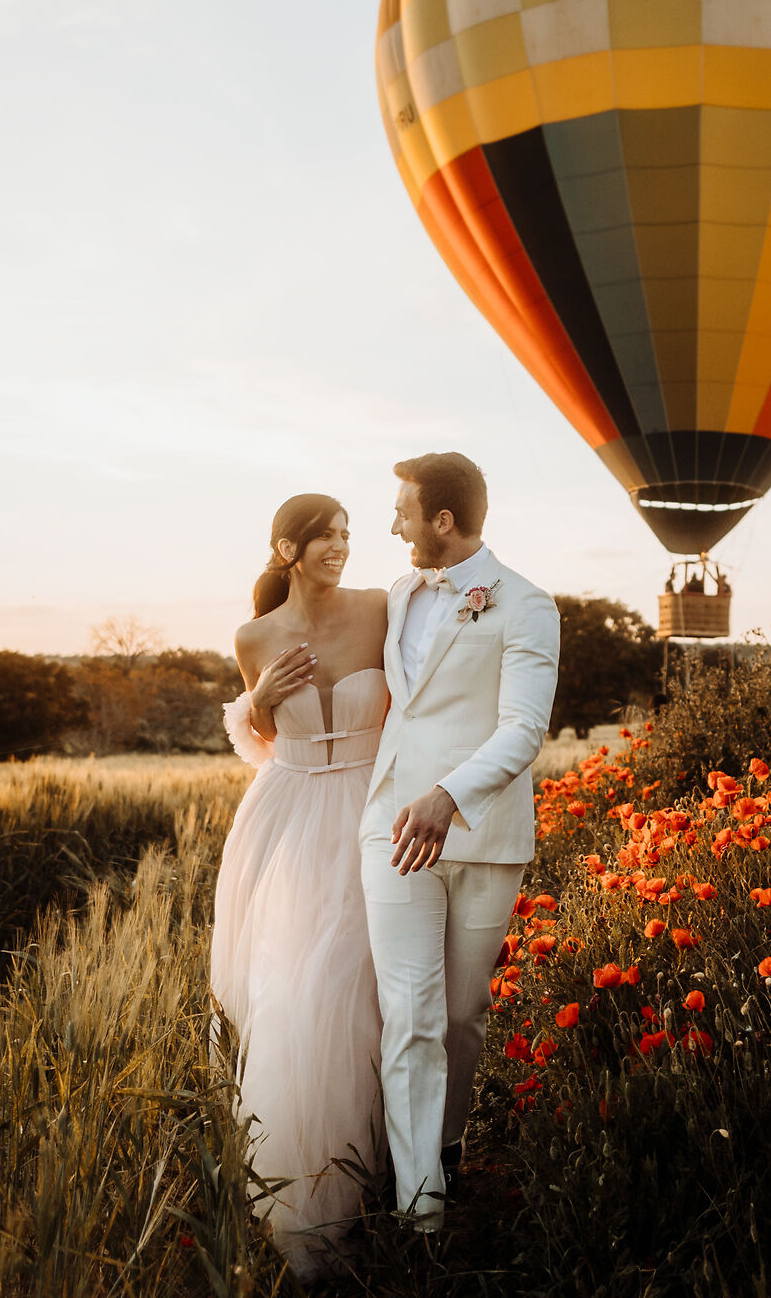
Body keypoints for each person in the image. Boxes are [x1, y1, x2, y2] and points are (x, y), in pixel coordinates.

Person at [360, 452, 560, 1232]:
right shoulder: (397, 594)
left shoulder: (527, 605)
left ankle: (442, 1150)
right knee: (410, 1011)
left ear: (443, 521)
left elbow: (525, 729)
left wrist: (449, 797)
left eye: (403, 512)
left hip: (482, 836)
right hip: (392, 830)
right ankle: (421, 1213)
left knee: (463, 1014)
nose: (393, 526)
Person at [212, 493, 390, 1278]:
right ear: (288, 547)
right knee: (300, 996)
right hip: (285, 820)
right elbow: (260, 744)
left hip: (366, 810)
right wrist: (256, 700)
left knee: (363, 989)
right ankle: (311, 1204)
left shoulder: (382, 609)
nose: (343, 547)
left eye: (348, 536)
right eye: (328, 537)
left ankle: (386, 1180)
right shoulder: (253, 636)